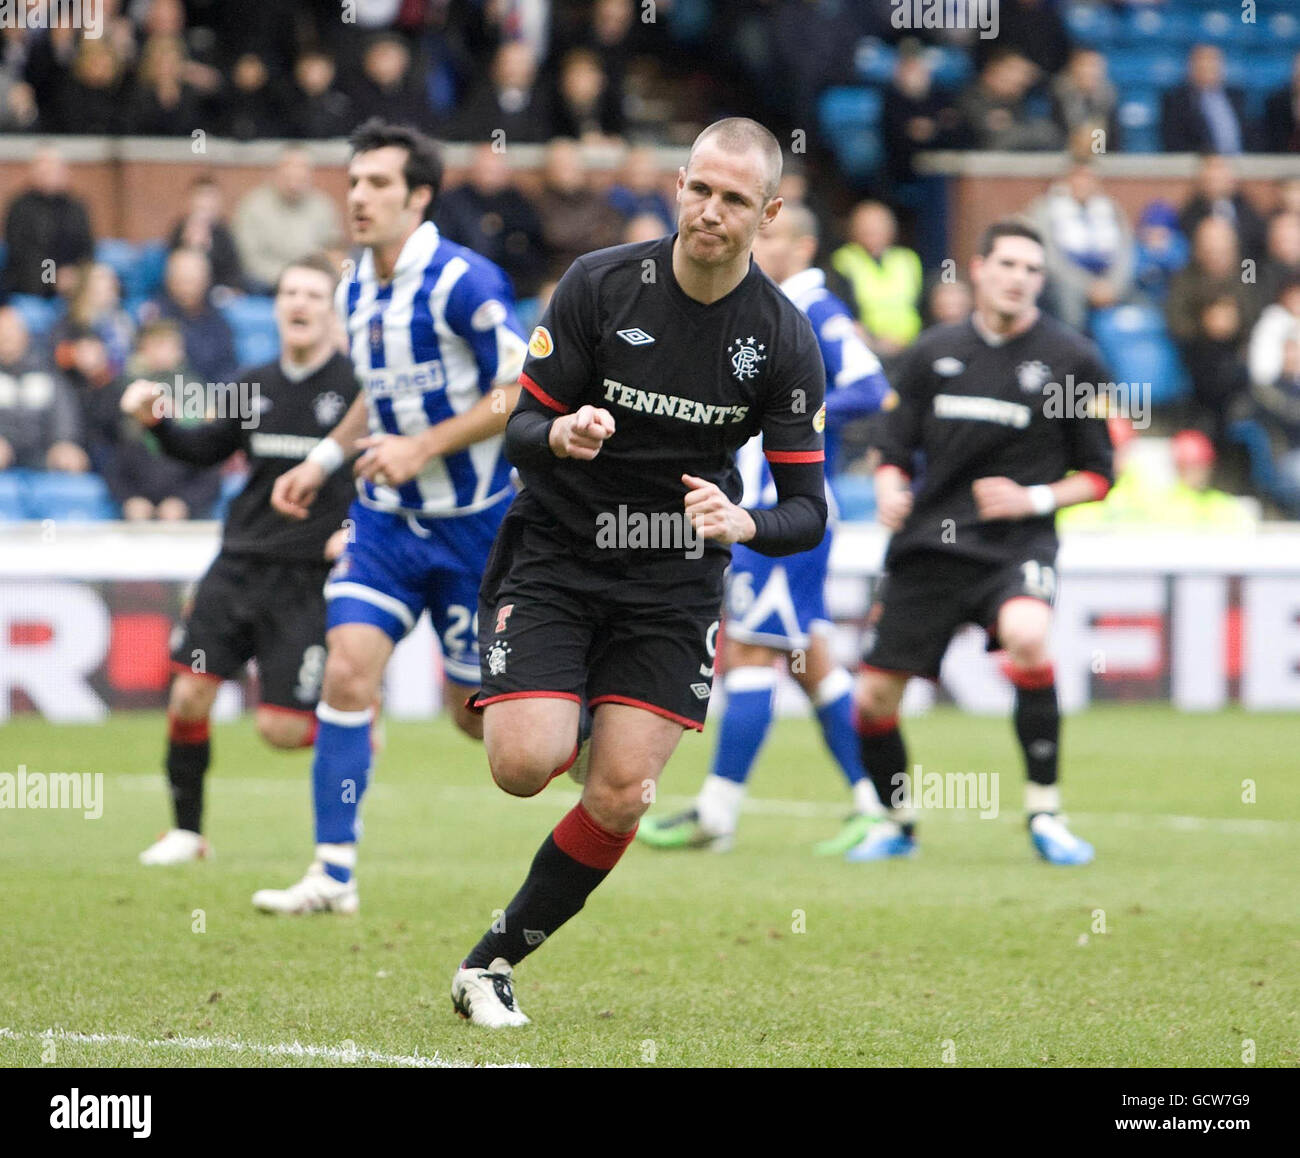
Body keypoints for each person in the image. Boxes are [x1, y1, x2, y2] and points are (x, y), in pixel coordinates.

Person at [448, 117, 828, 1027]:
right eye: (699, 188)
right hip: (560, 555)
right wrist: (565, 434)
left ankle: (490, 964)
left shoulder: (782, 338)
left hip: (673, 581)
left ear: (768, 214)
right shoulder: (599, 283)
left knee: (622, 795)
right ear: (678, 187)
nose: (709, 210)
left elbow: (808, 512)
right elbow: (520, 429)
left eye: (734, 199)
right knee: (524, 764)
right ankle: (563, 700)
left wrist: (744, 519)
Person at [250, 120, 527, 915]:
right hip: (386, 525)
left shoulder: (464, 282)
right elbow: (380, 389)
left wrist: (422, 447)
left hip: (476, 527)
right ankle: (332, 872)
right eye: (355, 181)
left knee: (476, 722)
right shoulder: (354, 283)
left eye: (378, 184)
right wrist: (322, 459)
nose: (360, 197)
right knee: (346, 673)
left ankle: (578, 728)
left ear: (419, 197)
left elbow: (519, 390)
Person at [849, 220, 1113, 867]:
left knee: (1028, 634)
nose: (1019, 278)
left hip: (1015, 546)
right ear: (979, 268)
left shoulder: (1073, 359)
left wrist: (1035, 498)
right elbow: (891, 446)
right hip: (928, 550)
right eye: (1008, 265)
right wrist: (888, 486)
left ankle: (1046, 812)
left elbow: (1100, 475)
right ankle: (896, 822)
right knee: (873, 699)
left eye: (1031, 269)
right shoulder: (930, 352)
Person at [636, 203, 894, 856]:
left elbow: (873, 386)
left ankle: (718, 814)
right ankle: (877, 804)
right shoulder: (762, 306)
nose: (760, 242)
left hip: (783, 513)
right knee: (810, 661)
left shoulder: (815, 308)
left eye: (773, 233)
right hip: (765, 510)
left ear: (804, 246)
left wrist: (796, 415)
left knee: (750, 651)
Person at [121, 255, 361, 865]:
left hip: (307, 579)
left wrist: (356, 530)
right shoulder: (252, 384)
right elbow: (201, 449)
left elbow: (383, 472)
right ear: (277, 307)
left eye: (312, 293)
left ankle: (356, 727)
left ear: (331, 310)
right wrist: (159, 422)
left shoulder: (358, 391)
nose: (299, 303)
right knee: (188, 696)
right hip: (236, 567)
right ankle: (187, 832)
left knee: (281, 733)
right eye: (289, 293)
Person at [232, 147, 343, 294]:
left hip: (312, 282)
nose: (294, 182)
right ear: (276, 173)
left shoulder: (323, 207)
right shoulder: (254, 206)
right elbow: (248, 259)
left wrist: (309, 277)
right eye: (289, 173)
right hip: (267, 284)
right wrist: (287, 278)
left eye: (300, 175)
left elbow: (334, 253)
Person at [1, 146, 94, 299]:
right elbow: (25, 255)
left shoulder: (76, 206)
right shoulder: (20, 208)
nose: (51, 175)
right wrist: (52, 278)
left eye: (55, 169)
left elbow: (87, 248)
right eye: (45, 170)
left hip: (74, 288)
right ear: (33, 172)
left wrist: (76, 274)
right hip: (32, 288)